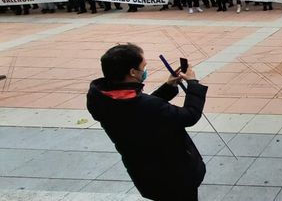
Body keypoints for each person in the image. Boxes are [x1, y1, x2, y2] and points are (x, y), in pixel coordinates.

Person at [86, 43, 208, 200]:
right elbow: (189, 116)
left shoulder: (101, 99)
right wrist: (193, 84)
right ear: (132, 72)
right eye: (143, 67)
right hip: (173, 175)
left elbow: (140, 111)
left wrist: (168, 86)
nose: (144, 71)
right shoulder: (146, 105)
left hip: (145, 174)